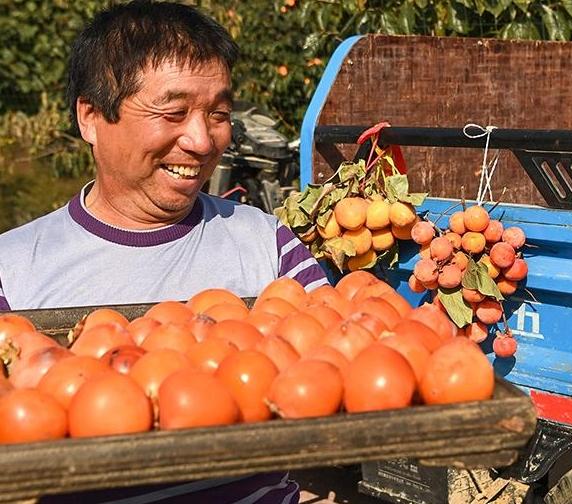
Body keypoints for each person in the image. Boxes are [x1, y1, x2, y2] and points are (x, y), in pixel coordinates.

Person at [0, 1, 327, 502]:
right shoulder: (12, 268)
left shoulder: (268, 244)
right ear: (91, 117)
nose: (202, 140)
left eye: (219, 114)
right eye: (173, 113)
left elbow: (335, 366)